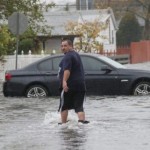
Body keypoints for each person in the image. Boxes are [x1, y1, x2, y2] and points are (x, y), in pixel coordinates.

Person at [58, 39, 89, 124]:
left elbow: (67, 70)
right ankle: (82, 123)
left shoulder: (68, 56)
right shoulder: (76, 55)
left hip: (70, 85)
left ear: (70, 46)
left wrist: (64, 81)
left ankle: (63, 124)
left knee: (64, 106)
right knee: (79, 107)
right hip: (81, 85)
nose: (63, 48)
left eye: (65, 46)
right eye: (62, 46)